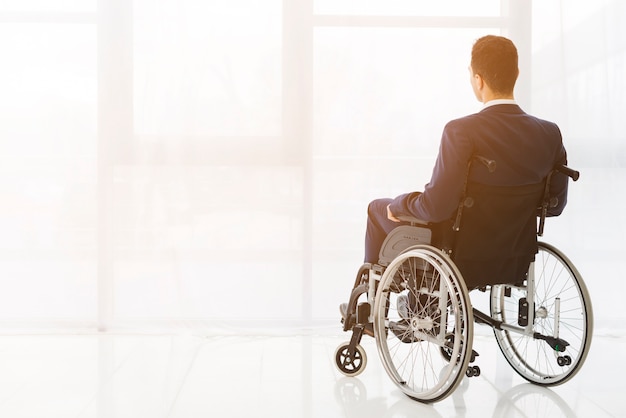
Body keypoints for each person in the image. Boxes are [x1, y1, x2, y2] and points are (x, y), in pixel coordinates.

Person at [364, 35, 568, 274]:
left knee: (377, 207)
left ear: (478, 80)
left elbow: (437, 207)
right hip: (515, 252)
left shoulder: (461, 131)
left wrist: (400, 204)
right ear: (517, 74)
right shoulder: (549, 133)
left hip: (460, 252)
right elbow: (554, 205)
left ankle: (368, 301)